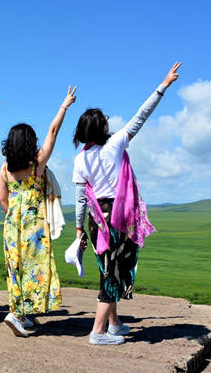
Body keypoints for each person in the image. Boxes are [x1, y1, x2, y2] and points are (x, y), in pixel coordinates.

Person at [72, 63, 181, 345]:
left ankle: (114, 324)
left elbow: (81, 199)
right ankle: (97, 333)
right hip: (118, 219)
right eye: (105, 118)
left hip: (97, 221)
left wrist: (78, 230)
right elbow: (142, 115)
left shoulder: (80, 159)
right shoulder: (116, 143)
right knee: (112, 274)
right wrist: (163, 86)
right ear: (100, 126)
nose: (109, 121)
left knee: (108, 268)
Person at [0, 86, 77, 337]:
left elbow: (2, 200)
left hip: (12, 224)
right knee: (35, 268)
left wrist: (15, 217)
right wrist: (63, 106)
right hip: (34, 226)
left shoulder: (4, 169)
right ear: (30, 143)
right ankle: (15, 314)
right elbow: (53, 131)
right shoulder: (37, 165)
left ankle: (21, 312)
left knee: (15, 268)